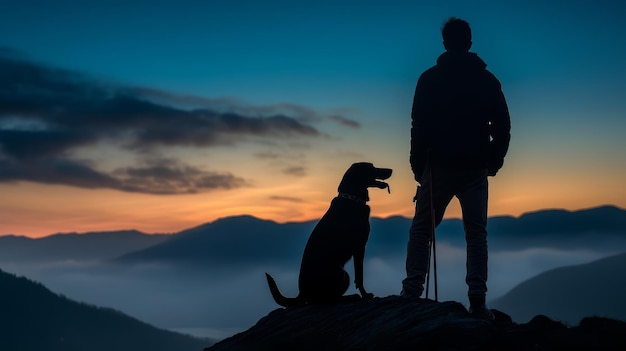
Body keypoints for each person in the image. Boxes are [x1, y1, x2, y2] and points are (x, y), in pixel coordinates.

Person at [401, 17, 511, 320]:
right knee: (476, 233)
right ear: (470, 42)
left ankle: (411, 291)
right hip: (475, 167)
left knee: (422, 229)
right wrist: (494, 160)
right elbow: (502, 125)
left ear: (445, 43)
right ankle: (478, 300)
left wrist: (418, 167)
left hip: (438, 167)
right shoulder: (487, 80)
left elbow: (418, 127)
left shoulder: (429, 79)